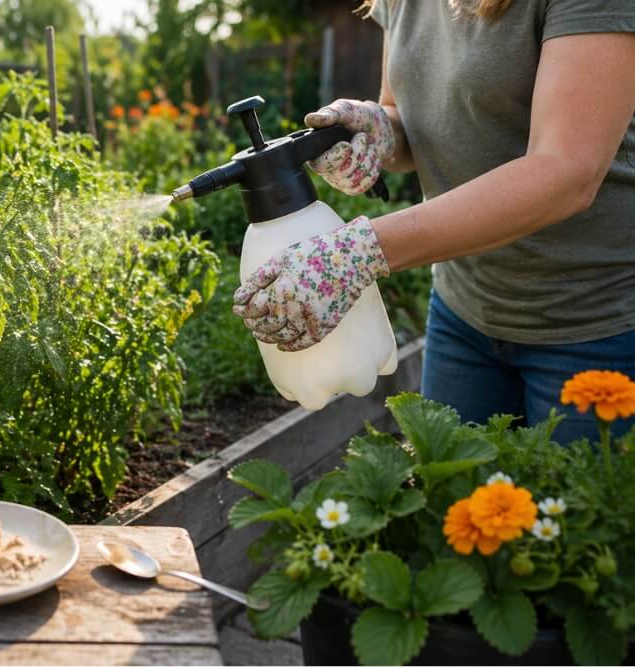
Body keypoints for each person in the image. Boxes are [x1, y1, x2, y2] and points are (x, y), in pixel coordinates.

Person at [232, 0, 635, 442]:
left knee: (571, 508)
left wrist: (362, 252)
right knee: (450, 504)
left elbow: (567, 172)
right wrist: (379, 130)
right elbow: (407, 117)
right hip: (462, 315)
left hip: (594, 323)